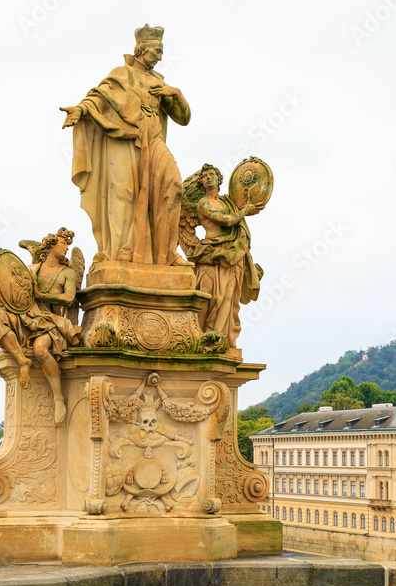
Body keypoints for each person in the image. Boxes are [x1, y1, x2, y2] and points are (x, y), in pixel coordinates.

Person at [62, 24, 192, 267]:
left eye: (162, 52)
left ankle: (167, 252)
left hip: (153, 141)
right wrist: (80, 110)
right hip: (124, 139)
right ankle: (121, 251)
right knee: (124, 193)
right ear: (141, 48)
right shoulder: (122, 74)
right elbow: (98, 98)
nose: (160, 57)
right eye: (157, 51)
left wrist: (175, 93)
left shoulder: (160, 82)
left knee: (173, 185)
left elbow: (183, 119)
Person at [0, 228, 81, 424]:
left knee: (40, 349)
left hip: (50, 321)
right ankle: (22, 361)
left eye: (67, 245)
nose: (66, 248)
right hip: (26, 315)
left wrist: (41, 295)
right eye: (63, 244)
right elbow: (9, 290)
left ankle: (58, 397)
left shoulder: (68, 273)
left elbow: (69, 298)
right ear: (51, 245)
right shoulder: (31, 270)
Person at [183, 164, 262, 348]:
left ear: (219, 180)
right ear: (201, 182)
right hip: (211, 254)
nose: (208, 178)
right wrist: (245, 211)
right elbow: (226, 221)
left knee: (228, 296)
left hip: (233, 253)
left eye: (211, 174)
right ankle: (200, 337)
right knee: (208, 296)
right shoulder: (203, 204)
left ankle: (218, 338)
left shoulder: (228, 203)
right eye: (205, 176)